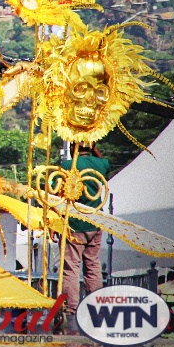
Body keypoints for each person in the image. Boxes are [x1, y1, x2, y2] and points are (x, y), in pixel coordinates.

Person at [61, 142, 109, 333]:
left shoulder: (67, 166)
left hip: (75, 222)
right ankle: (97, 307)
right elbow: (104, 160)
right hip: (96, 222)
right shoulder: (101, 164)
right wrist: (95, 147)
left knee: (71, 267)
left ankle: (71, 311)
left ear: (73, 145)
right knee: (93, 264)